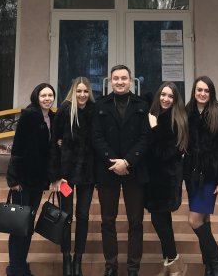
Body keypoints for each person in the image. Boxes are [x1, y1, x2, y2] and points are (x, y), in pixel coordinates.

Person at [92, 65, 150, 276]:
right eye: (116, 78)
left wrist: (127, 162)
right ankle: (111, 267)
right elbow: (96, 137)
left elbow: (146, 138)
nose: (120, 82)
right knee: (108, 221)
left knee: (136, 222)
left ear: (130, 80)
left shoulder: (142, 105)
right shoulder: (100, 104)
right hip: (107, 171)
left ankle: (133, 268)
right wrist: (115, 162)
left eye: (124, 78)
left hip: (134, 170)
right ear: (110, 81)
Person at [183, 76, 218, 276]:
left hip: (210, 175)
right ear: (194, 91)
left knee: (194, 220)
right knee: (204, 219)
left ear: (211, 93)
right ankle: (209, 266)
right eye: (199, 90)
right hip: (192, 175)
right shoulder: (187, 111)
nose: (202, 94)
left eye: (206, 90)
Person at [6, 83, 56, 276]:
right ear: (36, 97)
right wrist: (14, 179)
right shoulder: (29, 115)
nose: (47, 99)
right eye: (43, 95)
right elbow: (18, 148)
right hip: (23, 180)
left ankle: (21, 264)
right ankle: (15, 268)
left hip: (37, 181)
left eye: (50, 95)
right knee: (19, 225)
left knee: (28, 224)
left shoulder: (51, 117)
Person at [49, 77, 96, 276]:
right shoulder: (64, 111)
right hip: (65, 176)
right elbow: (54, 144)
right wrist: (55, 176)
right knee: (66, 215)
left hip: (87, 175)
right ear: (73, 92)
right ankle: (66, 258)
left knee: (83, 215)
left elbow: (98, 141)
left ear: (89, 92)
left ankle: (78, 258)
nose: (82, 95)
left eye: (85, 91)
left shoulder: (94, 112)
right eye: (79, 91)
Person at [146, 82, 188, 276]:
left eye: (170, 96)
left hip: (166, 181)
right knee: (164, 221)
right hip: (154, 180)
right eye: (163, 94)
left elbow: (164, 153)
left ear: (175, 100)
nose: (166, 99)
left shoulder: (176, 120)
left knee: (159, 221)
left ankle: (176, 264)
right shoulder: (154, 114)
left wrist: (154, 128)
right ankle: (169, 263)